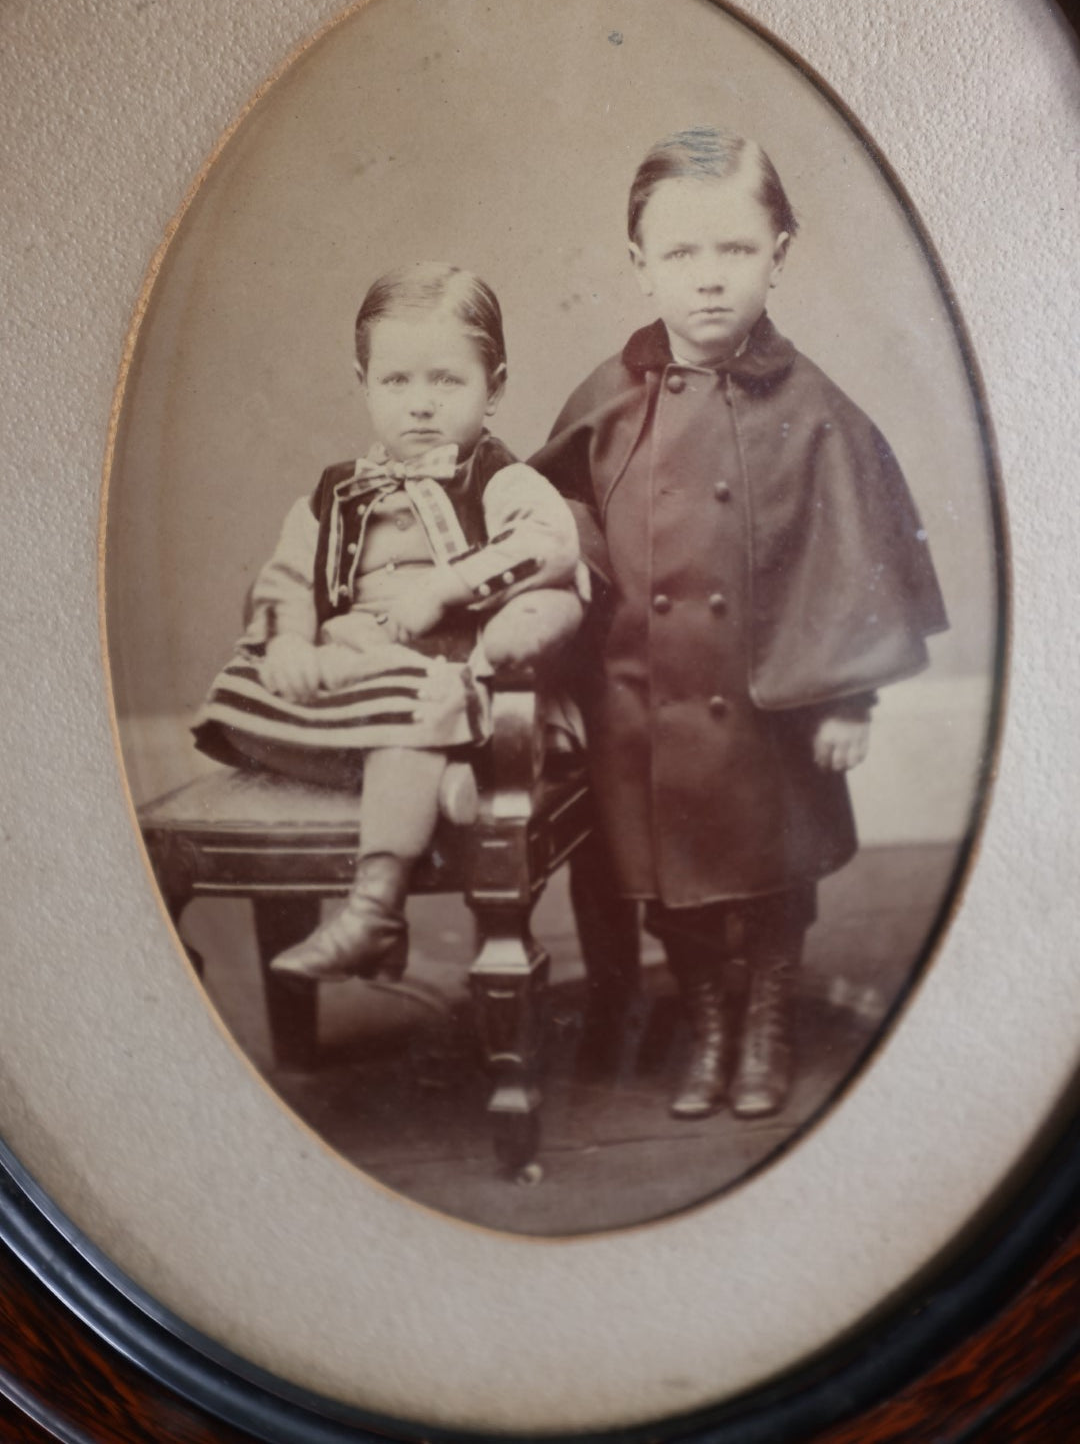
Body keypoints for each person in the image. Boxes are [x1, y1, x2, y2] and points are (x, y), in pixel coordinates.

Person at [532, 128, 947, 1121]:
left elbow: (854, 553)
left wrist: (850, 695)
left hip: (767, 701)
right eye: (681, 253)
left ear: (780, 252)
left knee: (768, 867)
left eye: (734, 250)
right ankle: (707, 1018)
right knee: (665, 871)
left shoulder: (815, 410)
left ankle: (764, 1013)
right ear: (640, 264)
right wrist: (550, 668)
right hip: (639, 697)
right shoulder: (604, 398)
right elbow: (551, 524)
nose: (708, 279)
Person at [194, 262, 583, 983]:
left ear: (494, 388)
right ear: (364, 382)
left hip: (447, 674)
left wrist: (448, 584)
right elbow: (287, 573)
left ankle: (374, 910)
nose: (421, 405)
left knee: (415, 704)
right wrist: (286, 641)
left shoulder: (496, 476)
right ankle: (433, 782)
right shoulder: (337, 490)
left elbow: (551, 543)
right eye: (397, 382)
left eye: (447, 381)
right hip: (356, 672)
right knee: (238, 691)